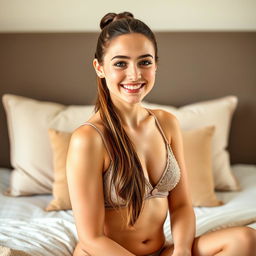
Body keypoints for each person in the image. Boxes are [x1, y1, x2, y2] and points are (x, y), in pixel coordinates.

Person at [66, 11, 256, 256]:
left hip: (159, 251)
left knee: (245, 239)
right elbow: (92, 238)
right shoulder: (89, 138)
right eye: (120, 63)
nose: (134, 75)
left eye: (144, 62)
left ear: (156, 64)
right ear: (100, 68)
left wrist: (183, 251)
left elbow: (182, 205)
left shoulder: (166, 123)